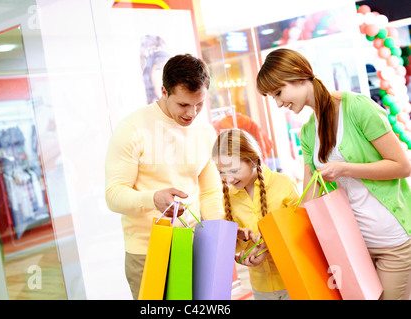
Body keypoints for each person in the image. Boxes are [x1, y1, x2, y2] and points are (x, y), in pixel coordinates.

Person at [256, 48, 411, 300]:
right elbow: (308, 199)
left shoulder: (357, 108)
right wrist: (271, 243)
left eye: (278, 92)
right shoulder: (307, 132)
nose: (278, 103)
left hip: (392, 239)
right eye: (272, 97)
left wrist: (346, 169)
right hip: (352, 247)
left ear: (297, 76)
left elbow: (402, 165)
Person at [105, 54, 224, 299]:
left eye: (199, 104)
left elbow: (211, 191)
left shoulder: (205, 132)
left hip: (192, 245)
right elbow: (113, 195)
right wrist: (154, 199)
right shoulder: (132, 129)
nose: (192, 113)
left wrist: (218, 235)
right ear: (164, 91)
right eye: (183, 105)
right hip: (147, 251)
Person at [212, 128, 300, 300]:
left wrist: (268, 247)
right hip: (261, 288)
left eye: (234, 170)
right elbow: (235, 247)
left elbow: (301, 230)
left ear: (253, 159)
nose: (228, 179)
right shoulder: (229, 198)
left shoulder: (284, 184)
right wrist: (240, 243)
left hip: (295, 278)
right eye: (222, 172)